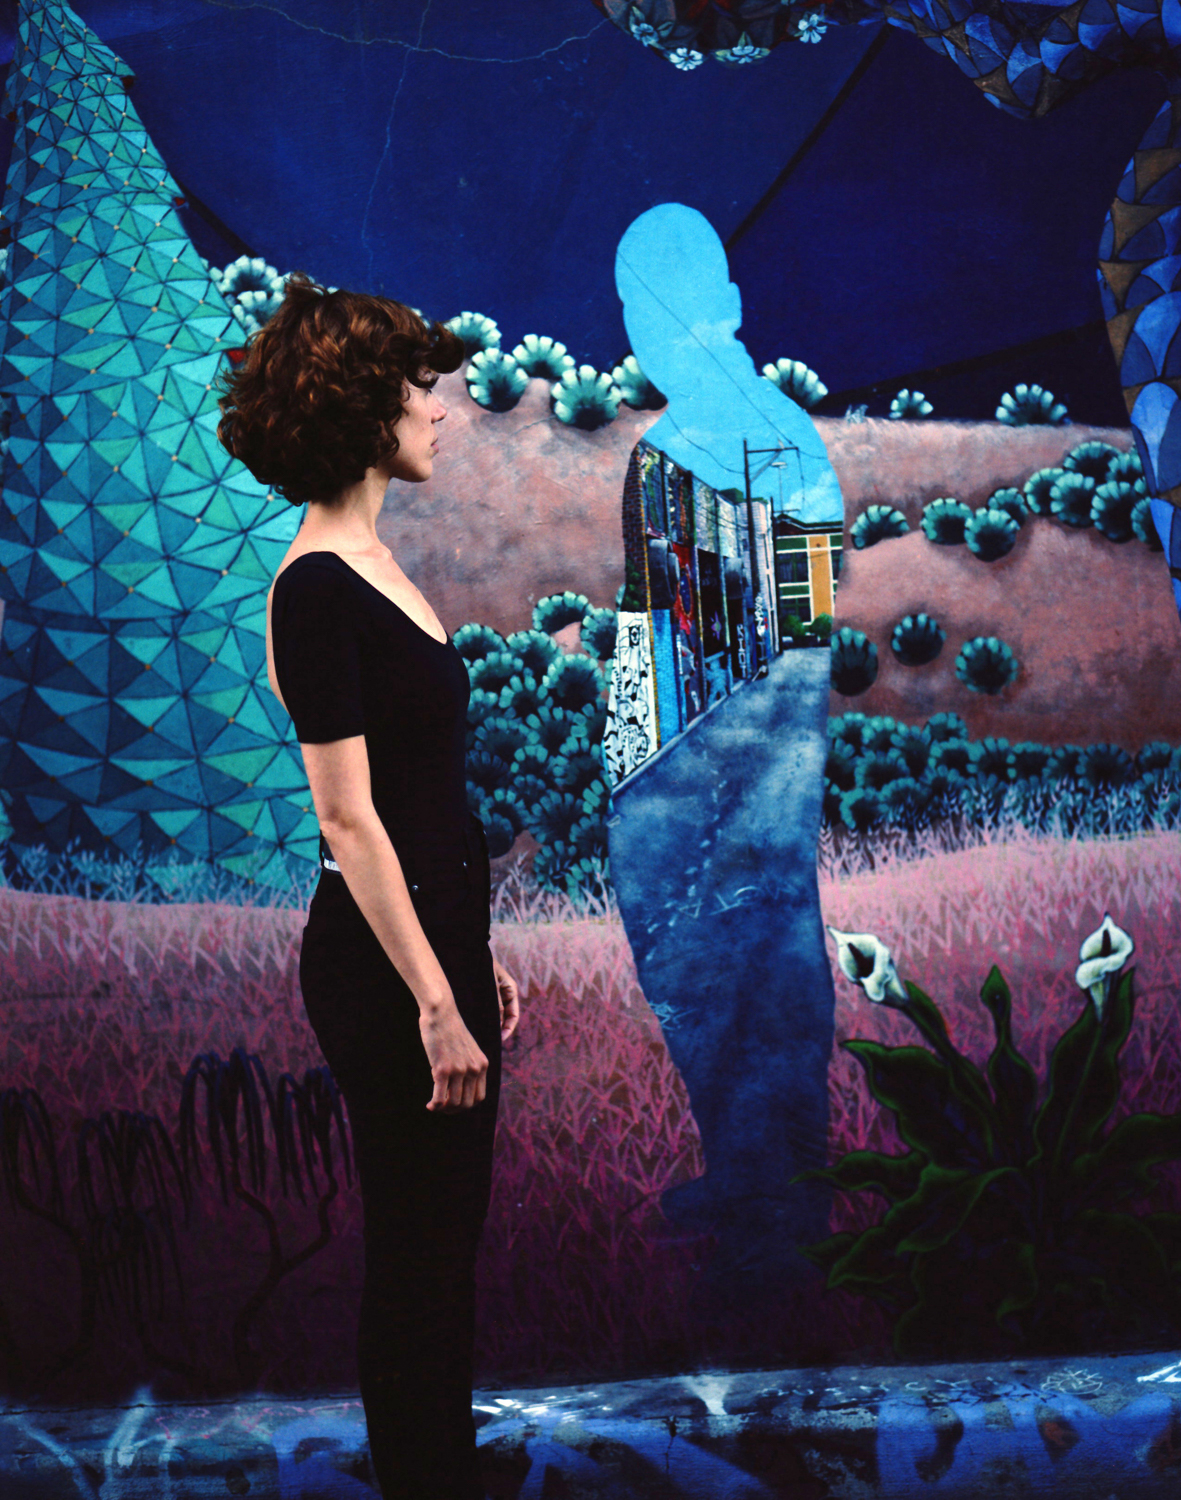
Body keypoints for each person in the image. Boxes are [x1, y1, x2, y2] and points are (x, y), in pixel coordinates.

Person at [217, 272, 519, 1500]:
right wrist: (433, 1000)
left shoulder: (372, 564)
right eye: (416, 387)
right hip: (387, 977)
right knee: (417, 1261)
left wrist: (468, 954)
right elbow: (347, 818)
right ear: (360, 405)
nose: (438, 409)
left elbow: (418, 795)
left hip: (430, 948)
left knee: (442, 1256)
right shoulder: (313, 587)